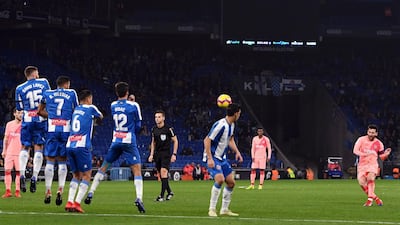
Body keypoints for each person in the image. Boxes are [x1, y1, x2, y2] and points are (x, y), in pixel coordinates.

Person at [84, 82, 145, 213]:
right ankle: (139, 198)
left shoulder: (113, 105)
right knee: (137, 170)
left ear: (117, 93)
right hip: (129, 140)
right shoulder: (134, 105)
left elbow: (122, 108)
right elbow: (139, 126)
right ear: (127, 92)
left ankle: (91, 192)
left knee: (104, 167)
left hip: (116, 139)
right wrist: (133, 104)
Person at [38, 76, 78, 205]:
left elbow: (39, 111)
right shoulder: (71, 93)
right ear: (67, 84)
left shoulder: (48, 93)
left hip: (52, 130)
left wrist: (52, 116)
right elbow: (77, 110)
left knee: (49, 161)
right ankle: (60, 189)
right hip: (66, 130)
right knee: (62, 161)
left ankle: (48, 190)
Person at [64, 89, 103, 213]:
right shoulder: (91, 108)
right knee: (87, 175)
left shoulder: (75, 110)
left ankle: (69, 202)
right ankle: (77, 203)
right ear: (88, 99)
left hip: (70, 143)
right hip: (82, 145)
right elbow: (101, 116)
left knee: (76, 175)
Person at [15, 65, 50, 193]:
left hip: (27, 119)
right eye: (38, 73)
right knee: (39, 147)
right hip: (40, 119)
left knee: (25, 147)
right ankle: (34, 177)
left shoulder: (19, 88)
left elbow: (19, 107)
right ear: (35, 74)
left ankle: (22, 175)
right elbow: (48, 99)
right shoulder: (44, 82)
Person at [204, 103, 243, 217]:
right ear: (235, 113)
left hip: (222, 158)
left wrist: (237, 152)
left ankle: (224, 209)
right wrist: (210, 158)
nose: (239, 115)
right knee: (220, 180)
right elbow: (207, 140)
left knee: (231, 183)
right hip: (213, 157)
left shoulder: (232, 125)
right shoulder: (221, 125)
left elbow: (230, 139)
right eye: (239, 113)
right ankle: (212, 209)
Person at [353, 124, 391, 207]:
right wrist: (364, 154)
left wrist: (386, 154)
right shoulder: (361, 140)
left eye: (373, 133)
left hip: (372, 164)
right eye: (369, 132)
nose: (371, 134)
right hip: (362, 165)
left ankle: (369, 200)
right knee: (362, 183)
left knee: (370, 178)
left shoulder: (379, 144)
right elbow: (355, 151)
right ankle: (376, 198)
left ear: (376, 134)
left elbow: (381, 157)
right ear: (367, 132)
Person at [148, 110, 178, 201]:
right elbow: (153, 142)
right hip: (157, 154)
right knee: (161, 175)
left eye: (159, 117)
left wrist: (174, 154)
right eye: (156, 117)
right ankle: (169, 192)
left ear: (163, 118)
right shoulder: (154, 129)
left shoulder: (168, 129)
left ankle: (161, 196)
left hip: (166, 154)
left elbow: (175, 141)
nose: (157, 119)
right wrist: (151, 154)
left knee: (164, 172)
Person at [2, 109, 23, 198]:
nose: (20, 114)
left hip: (20, 152)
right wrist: (4, 150)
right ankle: (8, 191)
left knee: (19, 172)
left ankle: (17, 191)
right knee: (7, 171)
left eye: (22, 113)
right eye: (18, 112)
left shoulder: (24, 125)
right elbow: (6, 138)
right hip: (10, 152)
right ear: (14, 114)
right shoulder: (9, 124)